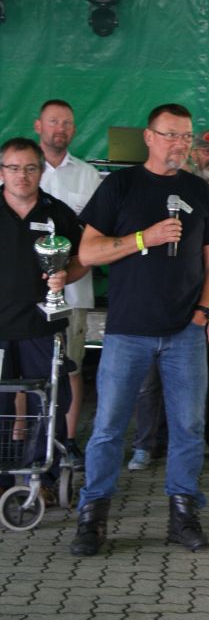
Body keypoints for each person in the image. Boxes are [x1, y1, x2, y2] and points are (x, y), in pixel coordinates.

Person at [69, 103, 209, 557]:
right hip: (128, 332)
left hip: (184, 333)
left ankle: (183, 514)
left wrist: (207, 310)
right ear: (149, 137)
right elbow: (89, 253)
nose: (179, 144)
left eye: (185, 136)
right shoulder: (119, 186)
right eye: (170, 134)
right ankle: (92, 516)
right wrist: (145, 238)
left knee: (189, 427)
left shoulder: (199, 191)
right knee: (107, 427)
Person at [126, 128, 209, 468]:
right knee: (159, 371)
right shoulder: (177, 187)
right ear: (194, 154)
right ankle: (155, 440)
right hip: (174, 296)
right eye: (206, 151)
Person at [0, 138, 87, 501]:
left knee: (49, 403)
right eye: (13, 168)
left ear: (40, 171)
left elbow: (82, 260)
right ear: (2, 172)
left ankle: (43, 478)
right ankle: (3, 479)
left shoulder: (58, 214)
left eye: (30, 168)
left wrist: (65, 276)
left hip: (42, 326)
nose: (22, 175)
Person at [34, 99, 102, 467]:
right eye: (53, 121)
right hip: (24, 295)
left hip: (74, 292)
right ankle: (22, 437)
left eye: (66, 123)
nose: (59, 129)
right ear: (38, 126)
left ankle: (69, 440)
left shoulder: (88, 176)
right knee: (24, 371)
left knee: (71, 367)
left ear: (74, 130)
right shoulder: (19, 171)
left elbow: (97, 234)